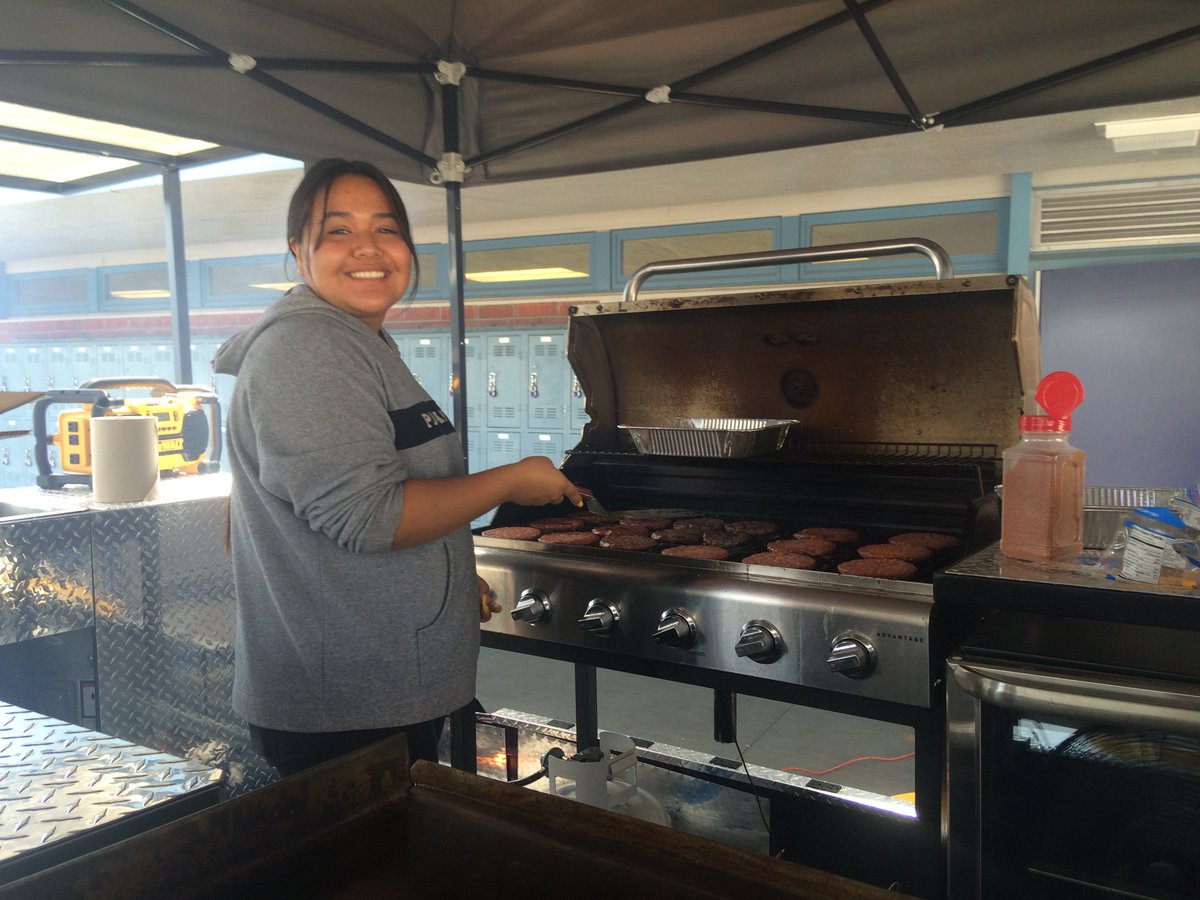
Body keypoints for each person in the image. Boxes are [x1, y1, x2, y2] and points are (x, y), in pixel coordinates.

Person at [212, 158, 581, 777]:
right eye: (338, 231)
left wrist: (440, 580)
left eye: (386, 229)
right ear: (298, 252)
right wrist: (512, 480)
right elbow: (369, 518)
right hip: (347, 711)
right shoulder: (309, 348)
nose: (368, 248)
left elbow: (262, 517)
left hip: (371, 684)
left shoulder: (359, 341)